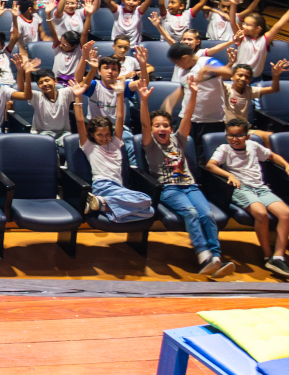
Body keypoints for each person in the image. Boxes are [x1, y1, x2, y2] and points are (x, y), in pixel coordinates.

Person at [137, 77, 231, 277]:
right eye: (157, 126)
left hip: (191, 186)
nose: (161, 129)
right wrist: (143, 101)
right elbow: (144, 125)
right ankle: (203, 255)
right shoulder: (150, 143)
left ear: (170, 128)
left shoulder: (177, 139)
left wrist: (194, 93)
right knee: (191, 212)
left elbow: (187, 117)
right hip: (168, 188)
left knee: (207, 214)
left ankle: (216, 257)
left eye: (165, 125)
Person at [207, 118, 289, 277]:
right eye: (230, 135)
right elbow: (211, 165)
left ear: (247, 136)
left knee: (285, 214)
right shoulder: (224, 149)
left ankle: (278, 256)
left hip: (261, 188)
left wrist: (286, 165)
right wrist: (229, 174)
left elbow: (272, 156)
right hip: (241, 188)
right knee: (261, 214)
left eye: (238, 135)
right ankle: (267, 256)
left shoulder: (254, 146)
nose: (234, 139)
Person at [74, 76, 153, 223]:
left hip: (117, 186)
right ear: (92, 134)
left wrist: (119, 93)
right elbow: (79, 121)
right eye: (100, 135)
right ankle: (102, 202)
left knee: (150, 211)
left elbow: (120, 117)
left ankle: (102, 205)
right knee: (146, 200)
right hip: (102, 185)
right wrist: (78, 97)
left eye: (107, 134)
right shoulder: (89, 145)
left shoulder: (116, 143)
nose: (104, 138)